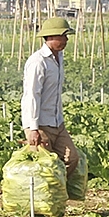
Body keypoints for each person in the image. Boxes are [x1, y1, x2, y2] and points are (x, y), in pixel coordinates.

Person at [21, 17, 79, 178]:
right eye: (63, 36)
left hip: (57, 122)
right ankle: (44, 199)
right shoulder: (38, 62)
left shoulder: (59, 58)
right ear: (51, 37)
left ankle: (57, 193)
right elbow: (32, 95)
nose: (66, 39)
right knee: (45, 167)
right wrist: (33, 128)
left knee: (71, 158)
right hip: (40, 123)